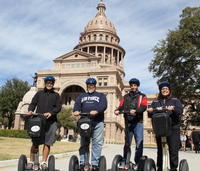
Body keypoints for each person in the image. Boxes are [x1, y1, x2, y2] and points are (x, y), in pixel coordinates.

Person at [27, 75, 61, 170]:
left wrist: (51, 113)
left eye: (51, 83)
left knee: (47, 143)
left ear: (53, 84)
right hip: (38, 120)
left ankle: (44, 162)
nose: (49, 84)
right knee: (35, 141)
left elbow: (58, 107)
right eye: (48, 83)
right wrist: (30, 110)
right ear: (45, 83)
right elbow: (33, 103)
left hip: (51, 122)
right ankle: (31, 161)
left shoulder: (56, 95)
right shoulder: (39, 93)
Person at [147, 81, 183, 171]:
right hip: (160, 128)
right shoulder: (156, 102)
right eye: (163, 89)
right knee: (160, 150)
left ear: (169, 90)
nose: (164, 90)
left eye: (166, 89)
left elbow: (180, 111)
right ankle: (160, 167)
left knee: (173, 150)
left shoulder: (175, 100)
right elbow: (151, 114)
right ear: (160, 91)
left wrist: (173, 109)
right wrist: (150, 111)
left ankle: (173, 168)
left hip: (173, 127)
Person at [73, 77, 107, 171]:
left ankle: (95, 164)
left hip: (97, 122)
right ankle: (83, 163)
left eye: (92, 85)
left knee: (97, 143)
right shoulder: (81, 96)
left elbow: (103, 105)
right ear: (87, 86)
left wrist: (97, 111)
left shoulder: (101, 96)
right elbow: (77, 106)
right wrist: (76, 111)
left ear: (95, 86)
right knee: (84, 143)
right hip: (84, 122)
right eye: (89, 85)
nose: (90, 86)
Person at [114, 78, 147, 169]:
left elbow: (144, 107)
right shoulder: (125, 97)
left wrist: (136, 111)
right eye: (131, 85)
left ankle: (137, 162)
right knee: (127, 143)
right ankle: (126, 161)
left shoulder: (142, 96)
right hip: (128, 122)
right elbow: (121, 106)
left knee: (139, 143)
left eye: (135, 85)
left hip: (138, 122)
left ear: (137, 86)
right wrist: (117, 110)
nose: (133, 87)